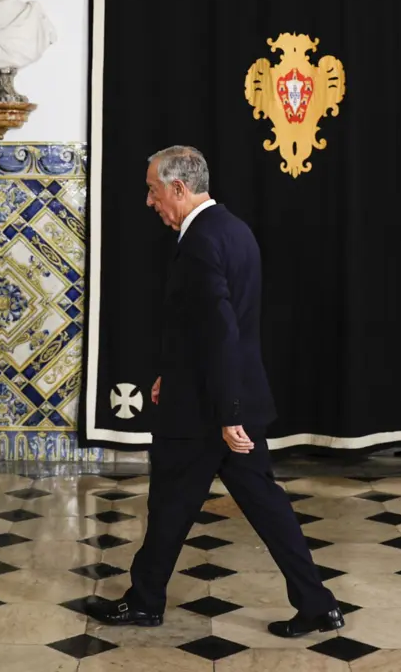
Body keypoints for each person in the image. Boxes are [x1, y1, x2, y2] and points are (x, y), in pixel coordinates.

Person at [86, 146, 343, 638]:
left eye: (154, 190)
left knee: (169, 503)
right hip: (220, 396)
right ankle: (317, 604)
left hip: (208, 411)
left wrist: (228, 413)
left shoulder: (202, 240)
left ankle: (144, 602)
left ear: (179, 189)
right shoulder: (232, 228)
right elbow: (204, 329)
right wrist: (173, 373)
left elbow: (224, 332)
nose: (149, 200)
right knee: (258, 505)